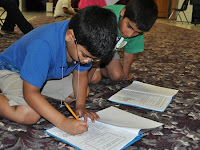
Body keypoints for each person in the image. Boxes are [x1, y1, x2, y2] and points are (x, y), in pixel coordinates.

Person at [0, 6, 117, 135]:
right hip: (12, 70)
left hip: (43, 74)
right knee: (29, 114)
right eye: (85, 56)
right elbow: (30, 93)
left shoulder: (80, 38)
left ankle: (37, 87)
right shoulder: (43, 45)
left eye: (93, 59)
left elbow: (81, 76)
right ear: (69, 36)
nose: (87, 62)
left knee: (80, 92)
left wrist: (80, 107)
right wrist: (63, 122)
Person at [89, 0, 158, 84]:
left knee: (118, 76)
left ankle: (102, 67)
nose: (130, 34)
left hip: (109, 51)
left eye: (137, 32)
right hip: (90, 49)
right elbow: (89, 47)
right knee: (94, 79)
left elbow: (129, 54)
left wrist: (125, 76)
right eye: (129, 26)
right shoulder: (105, 17)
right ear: (123, 12)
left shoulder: (137, 29)